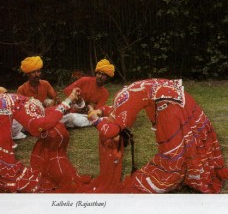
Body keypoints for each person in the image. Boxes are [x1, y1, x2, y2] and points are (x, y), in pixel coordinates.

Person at [80, 78, 228, 193]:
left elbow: (111, 131)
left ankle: (175, 174)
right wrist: (101, 112)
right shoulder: (122, 97)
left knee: (172, 153)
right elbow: (121, 108)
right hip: (178, 98)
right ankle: (189, 173)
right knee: (186, 139)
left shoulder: (120, 114)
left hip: (170, 107)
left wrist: (95, 120)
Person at [60, 59, 115, 128]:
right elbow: (67, 90)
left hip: (84, 116)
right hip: (71, 109)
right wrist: (76, 100)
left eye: (103, 75)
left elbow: (97, 112)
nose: (100, 76)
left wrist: (88, 107)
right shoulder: (84, 80)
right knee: (66, 116)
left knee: (74, 119)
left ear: (107, 78)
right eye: (99, 73)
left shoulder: (105, 93)